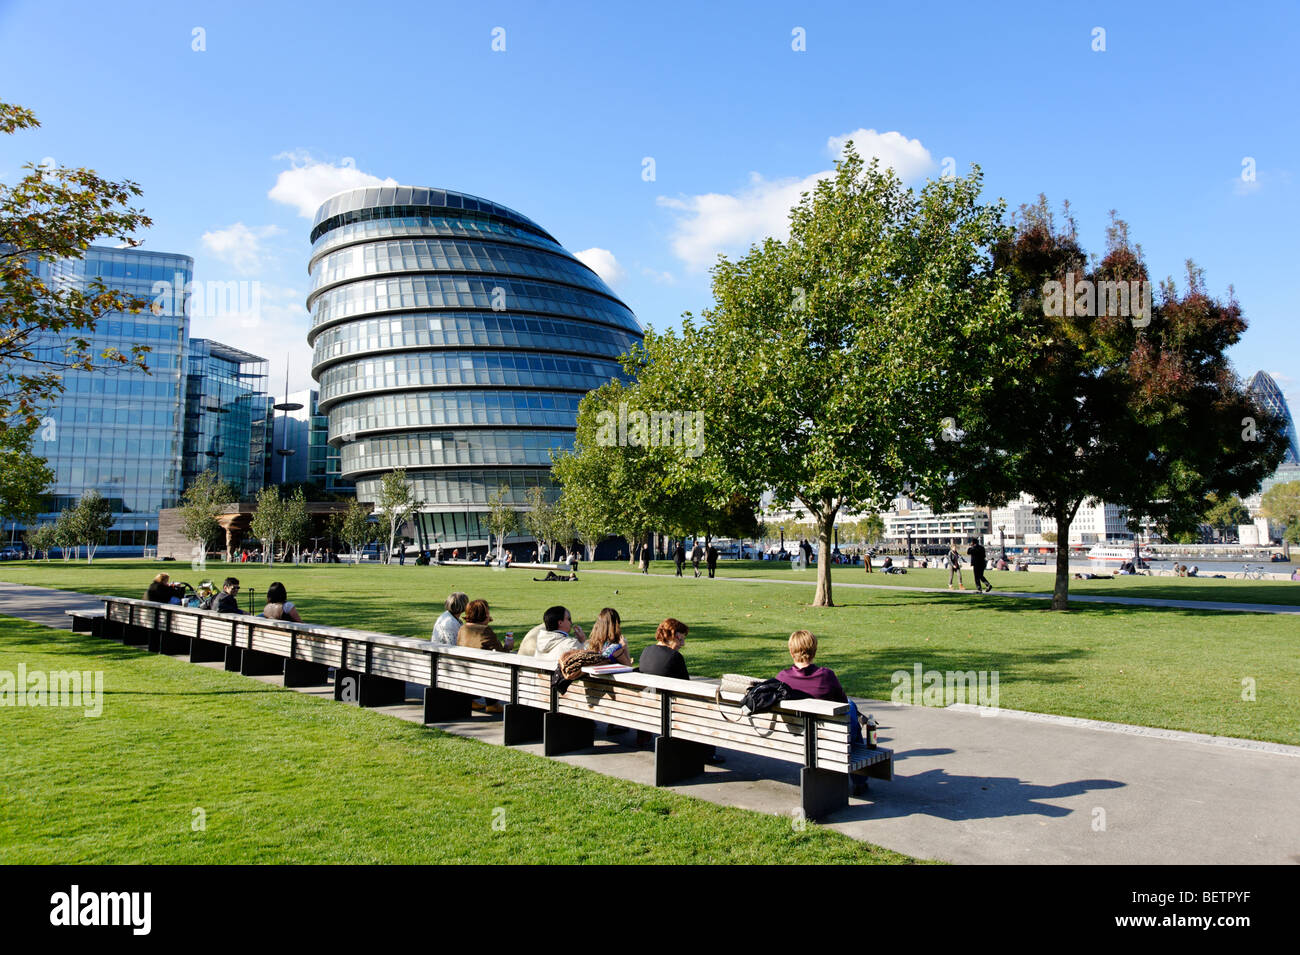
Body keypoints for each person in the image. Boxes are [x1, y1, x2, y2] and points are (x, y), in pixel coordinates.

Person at [637, 619, 720, 761]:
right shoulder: (674, 657)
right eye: (682, 639)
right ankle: (706, 754)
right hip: (668, 711)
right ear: (674, 635)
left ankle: (642, 735)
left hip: (646, 705)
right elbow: (687, 688)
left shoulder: (646, 651)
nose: (683, 643)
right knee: (707, 709)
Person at [775, 630, 866, 748]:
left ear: (791, 652)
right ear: (814, 652)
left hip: (793, 739)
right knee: (851, 705)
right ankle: (859, 749)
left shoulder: (782, 677)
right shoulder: (826, 676)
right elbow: (843, 704)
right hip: (826, 739)